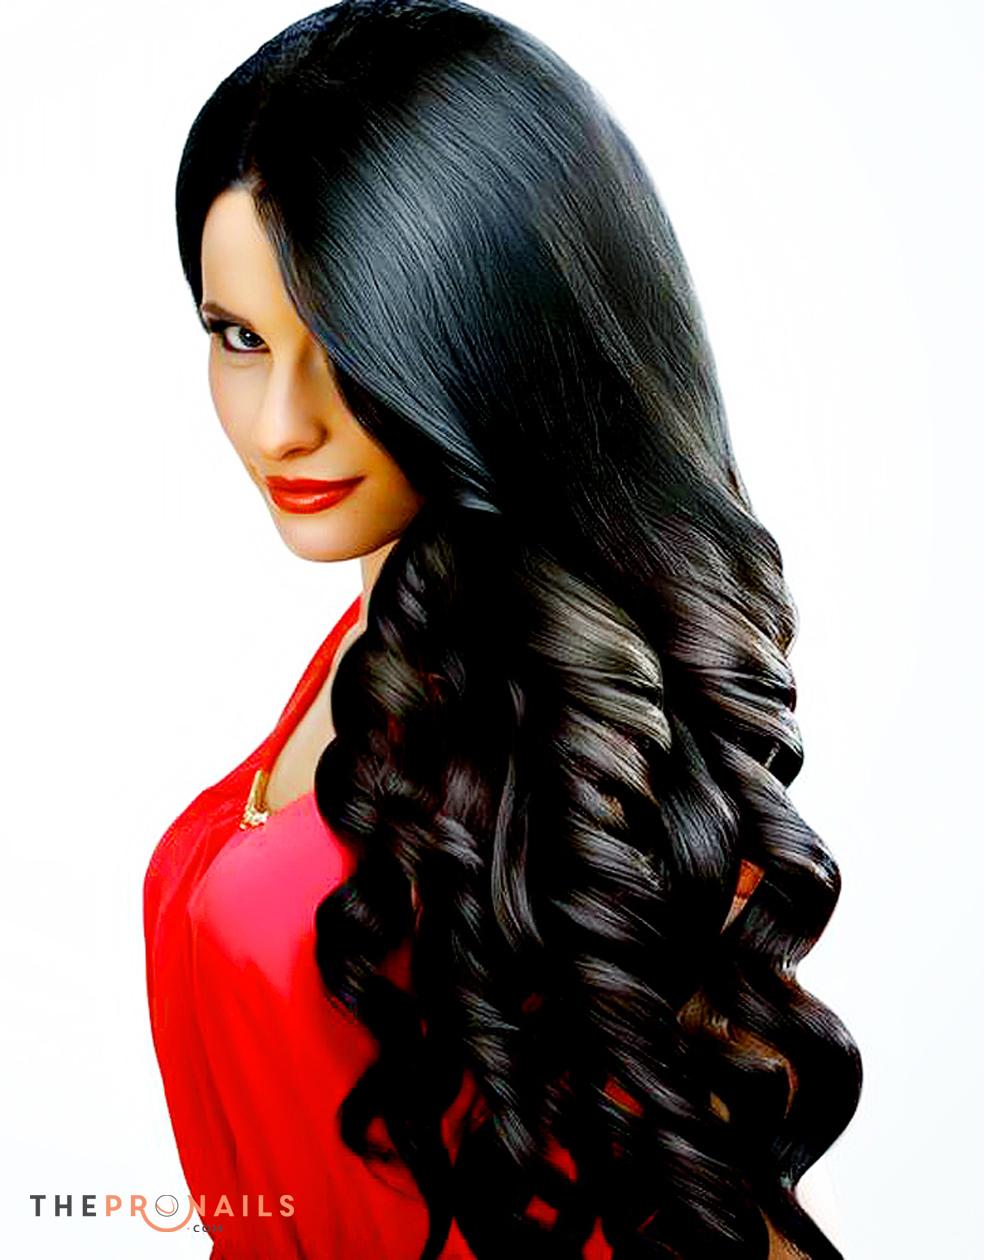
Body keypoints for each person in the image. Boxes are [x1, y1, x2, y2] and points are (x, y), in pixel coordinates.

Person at [143, 2, 862, 1256]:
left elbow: (723, 1190)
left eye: (347, 348)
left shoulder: (572, 733)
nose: (278, 426)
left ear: (489, 344)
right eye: (240, 338)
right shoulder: (380, 644)